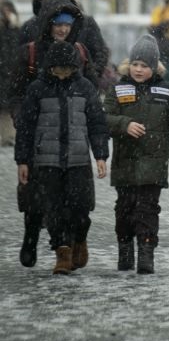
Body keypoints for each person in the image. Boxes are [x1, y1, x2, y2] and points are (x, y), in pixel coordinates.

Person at [10, 0, 94, 269]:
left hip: (70, 139)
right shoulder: (31, 52)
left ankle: (66, 245)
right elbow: (15, 92)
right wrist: (25, 121)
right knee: (34, 196)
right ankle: (32, 237)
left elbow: (90, 89)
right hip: (36, 134)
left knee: (71, 198)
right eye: (57, 23)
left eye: (67, 23)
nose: (62, 29)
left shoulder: (80, 51)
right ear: (47, 23)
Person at [15, 40, 108, 274]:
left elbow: (97, 123)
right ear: (50, 67)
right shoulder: (38, 89)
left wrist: (100, 155)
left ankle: (79, 239)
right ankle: (62, 252)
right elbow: (26, 126)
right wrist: (23, 160)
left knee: (81, 209)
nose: (63, 74)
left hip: (78, 161)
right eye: (59, 69)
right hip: (47, 161)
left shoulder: (85, 87)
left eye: (68, 69)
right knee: (54, 209)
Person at [104, 34, 169, 274]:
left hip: (154, 163)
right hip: (125, 162)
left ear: (154, 67)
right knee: (125, 208)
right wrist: (124, 124)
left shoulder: (166, 91)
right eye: (135, 64)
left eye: (144, 66)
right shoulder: (117, 89)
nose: (138, 69)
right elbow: (104, 119)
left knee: (147, 209)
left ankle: (146, 254)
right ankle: (125, 251)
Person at [20, 0, 109, 81]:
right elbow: (22, 64)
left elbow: (100, 53)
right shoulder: (30, 26)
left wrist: (87, 79)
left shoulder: (85, 22)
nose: (63, 30)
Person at [0, 0, 19, 146]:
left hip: (12, 75)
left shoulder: (16, 31)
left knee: (9, 107)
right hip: (4, 74)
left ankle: (9, 136)